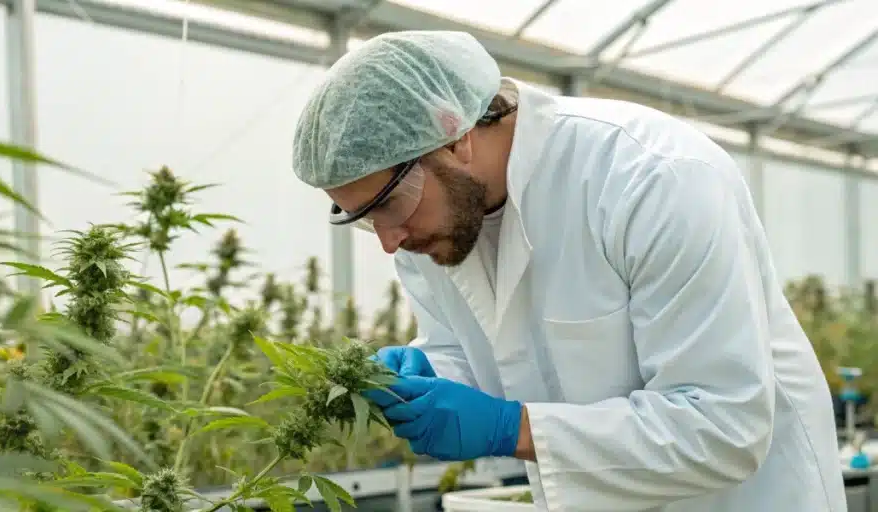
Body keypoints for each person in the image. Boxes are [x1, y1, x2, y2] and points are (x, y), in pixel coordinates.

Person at [290, 30, 845, 511]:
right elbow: (481, 353)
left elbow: (725, 427)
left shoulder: (651, 178)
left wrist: (513, 429)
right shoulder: (435, 222)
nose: (389, 242)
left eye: (388, 203)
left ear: (454, 134)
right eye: (362, 218)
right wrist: (433, 373)